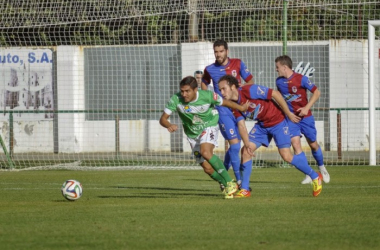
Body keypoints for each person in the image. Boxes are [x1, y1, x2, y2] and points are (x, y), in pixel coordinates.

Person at [218, 75, 323, 198]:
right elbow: (241, 125)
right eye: (220, 90)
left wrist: (288, 113)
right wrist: (247, 145)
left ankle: (315, 176)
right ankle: (245, 189)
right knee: (245, 152)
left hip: (278, 122)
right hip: (262, 126)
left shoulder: (249, 90)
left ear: (233, 87)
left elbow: (276, 94)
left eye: (223, 89)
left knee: (286, 156)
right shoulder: (232, 104)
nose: (221, 92)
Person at [159, 76, 249, 199]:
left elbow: (225, 102)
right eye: (182, 91)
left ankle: (230, 182)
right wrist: (168, 125)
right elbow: (163, 119)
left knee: (205, 152)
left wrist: (242, 108)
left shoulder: (207, 96)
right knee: (207, 168)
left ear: (196, 90)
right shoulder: (176, 99)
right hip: (192, 134)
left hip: (209, 125)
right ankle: (225, 185)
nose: (184, 94)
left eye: (187, 91)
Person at [201, 39, 254, 189]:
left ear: (227, 51)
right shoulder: (210, 69)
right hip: (223, 110)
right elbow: (204, 82)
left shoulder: (238, 63)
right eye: (216, 52)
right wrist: (208, 96)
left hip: (238, 108)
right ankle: (238, 181)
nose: (218, 54)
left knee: (234, 147)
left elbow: (250, 80)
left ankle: (223, 173)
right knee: (236, 146)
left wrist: (242, 88)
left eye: (221, 51)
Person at [275, 55, 330, 184]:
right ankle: (308, 174)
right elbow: (282, 99)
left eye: (277, 67)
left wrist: (306, 107)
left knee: (313, 144)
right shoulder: (279, 82)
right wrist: (287, 113)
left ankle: (322, 168)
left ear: (285, 67)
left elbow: (317, 92)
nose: (276, 70)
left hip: (306, 117)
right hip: (291, 118)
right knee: (295, 144)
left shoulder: (301, 79)